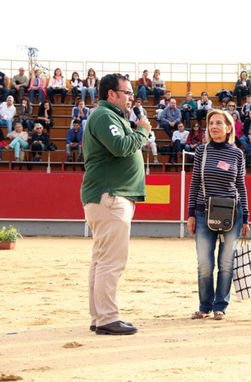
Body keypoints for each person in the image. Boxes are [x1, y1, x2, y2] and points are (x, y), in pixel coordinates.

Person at [81, 73, 151, 335]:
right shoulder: (104, 116)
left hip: (107, 196)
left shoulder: (110, 116)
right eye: (127, 92)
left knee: (101, 260)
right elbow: (121, 147)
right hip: (111, 196)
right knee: (111, 260)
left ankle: (99, 316)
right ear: (112, 94)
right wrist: (143, 130)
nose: (132, 96)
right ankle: (107, 317)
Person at [187, 109, 249, 320]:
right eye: (211, 123)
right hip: (204, 211)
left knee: (226, 262)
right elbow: (194, 183)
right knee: (204, 263)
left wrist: (246, 217)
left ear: (228, 127)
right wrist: (191, 214)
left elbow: (241, 185)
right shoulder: (201, 152)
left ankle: (220, 306)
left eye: (219, 123)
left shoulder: (237, 153)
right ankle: (204, 306)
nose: (214, 126)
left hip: (232, 212)